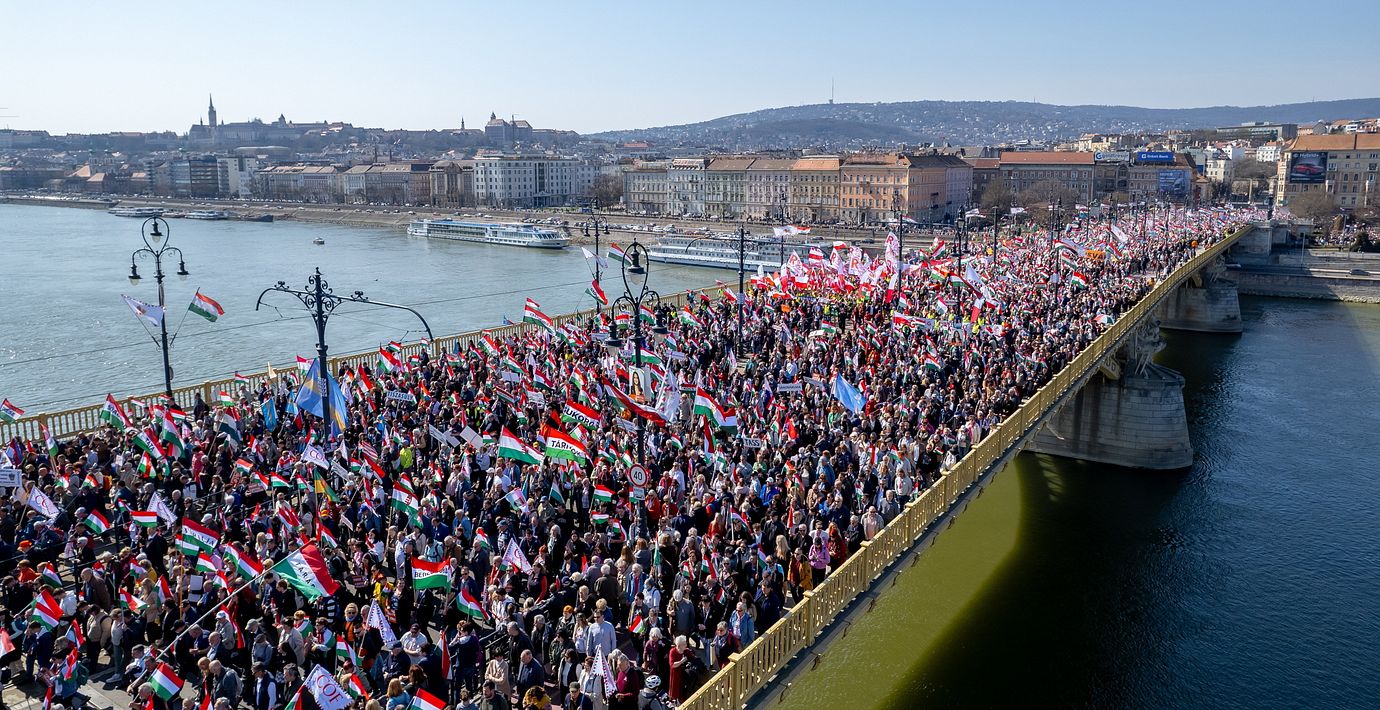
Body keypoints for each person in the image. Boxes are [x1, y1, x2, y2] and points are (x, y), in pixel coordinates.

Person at [667, 636, 690, 703]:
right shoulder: (673, 651)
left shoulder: (686, 651)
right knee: (674, 690)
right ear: (679, 645)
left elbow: (694, 657)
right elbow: (672, 665)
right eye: (684, 644)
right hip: (675, 674)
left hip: (684, 674)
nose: (686, 645)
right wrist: (681, 661)